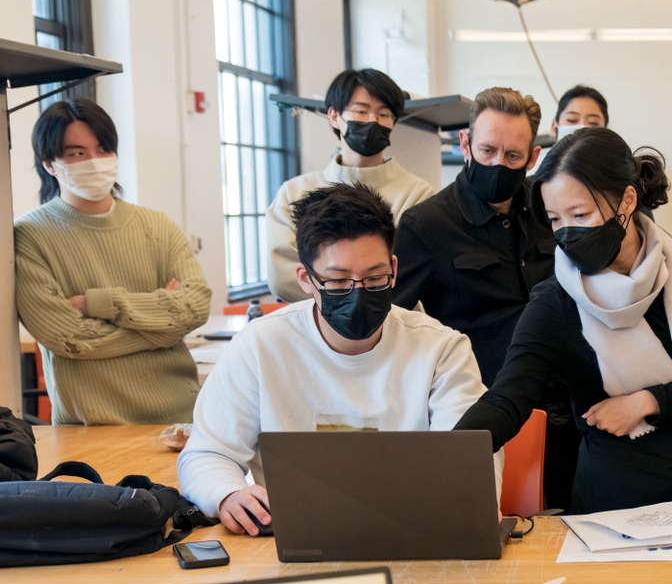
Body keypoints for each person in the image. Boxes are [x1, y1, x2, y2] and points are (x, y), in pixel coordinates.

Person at [453, 128, 672, 513]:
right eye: (554, 219)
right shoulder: (556, 301)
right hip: (616, 506)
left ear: (627, 201)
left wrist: (647, 402)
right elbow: (509, 398)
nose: (567, 232)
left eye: (580, 214)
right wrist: (450, 453)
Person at [179, 183, 494, 535]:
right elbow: (207, 453)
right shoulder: (260, 346)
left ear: (393, 267)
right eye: (339, 282)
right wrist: (228, 494)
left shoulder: (441, 350)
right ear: (306, 280)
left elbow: (471, 463)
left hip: (414, 535)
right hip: (293, 539)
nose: (358, 294)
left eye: (375, 279)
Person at [15, 99, 211, 425]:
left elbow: (195, 307)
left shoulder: (157, 226)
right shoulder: (29, 236)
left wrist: (97, 304)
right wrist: (162, 329)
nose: (94, 161)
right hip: (91, 429)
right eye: (77, 153)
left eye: (103, 149)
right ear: (49, 164)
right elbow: (68, 338)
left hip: (182, 419)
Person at [392, 86, 555, 386]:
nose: (498, 164)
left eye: (513, 155)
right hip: (479, 398)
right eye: (488, 150)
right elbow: (389, 321)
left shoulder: (551, 208)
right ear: (465, 145)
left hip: (559, 392)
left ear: (532, 158)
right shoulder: (426, 225)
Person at [266, 68, 434, 302]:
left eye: (384, 114)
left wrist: (332, 288)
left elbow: (410, 277)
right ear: (334, 116)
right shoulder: (293, 193)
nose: (373, 120)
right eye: (361, 111)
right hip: (313, 333)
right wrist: (345, 308)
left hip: (394, 330)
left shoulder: (418, 194)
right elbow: (282, 277)